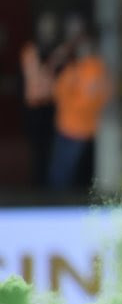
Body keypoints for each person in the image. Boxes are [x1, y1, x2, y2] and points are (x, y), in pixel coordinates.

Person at [47, 29, 111, 191]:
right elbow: (58, 89)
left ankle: (61, 202)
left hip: (75, 127)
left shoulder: (87, 69)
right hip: (75, 126)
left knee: (65, 171)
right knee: (65, 170)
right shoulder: (88, 68)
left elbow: (62, 92)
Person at [19, 12, 61, 187]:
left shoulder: (57, 50)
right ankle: (37, 186)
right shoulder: (30, 50)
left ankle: (50, 187)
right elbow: (23, 80)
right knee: (37, 152)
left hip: (53, 108)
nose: (47, 29)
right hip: (34, 110)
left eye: (50, 25)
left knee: (53, 150)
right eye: (44, 24)